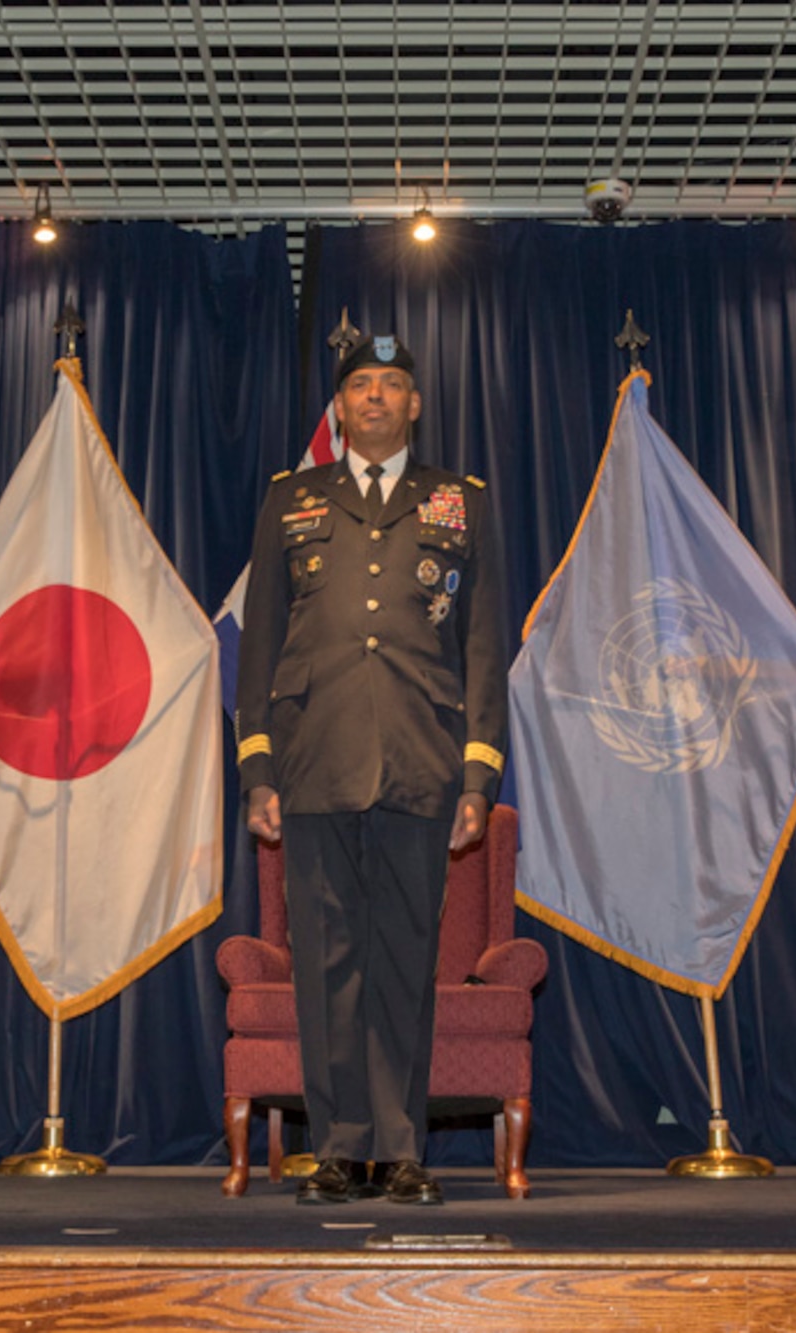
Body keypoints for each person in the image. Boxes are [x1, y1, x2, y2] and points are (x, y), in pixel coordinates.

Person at [234, 335, 508, 1206]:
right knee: (323, 963)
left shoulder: (460, 502)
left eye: (394, 384)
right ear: (342, 407)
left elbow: (483, 645)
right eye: (361, 385)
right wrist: (258, 770)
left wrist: (476, 776)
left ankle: (398, 1148)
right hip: (314, 761)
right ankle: (341, 1148)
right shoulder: (292, 499)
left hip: (422, 762)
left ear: (416, 404)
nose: (378, 398)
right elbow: (261, 644)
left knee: (403, 958)